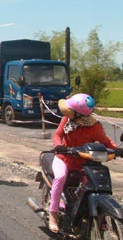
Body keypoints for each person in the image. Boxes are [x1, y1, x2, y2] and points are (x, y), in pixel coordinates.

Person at [48, 93, 123, 233]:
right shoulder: (67, 120)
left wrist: (117, 150)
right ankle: (53, 215)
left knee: (92, 186)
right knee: (60, 177)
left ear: (79, 114)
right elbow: (58, 135)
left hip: (83, 162)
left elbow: (106, 142)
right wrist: (59, 146)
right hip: (63, 158)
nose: (68, 112)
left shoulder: (94, 127)